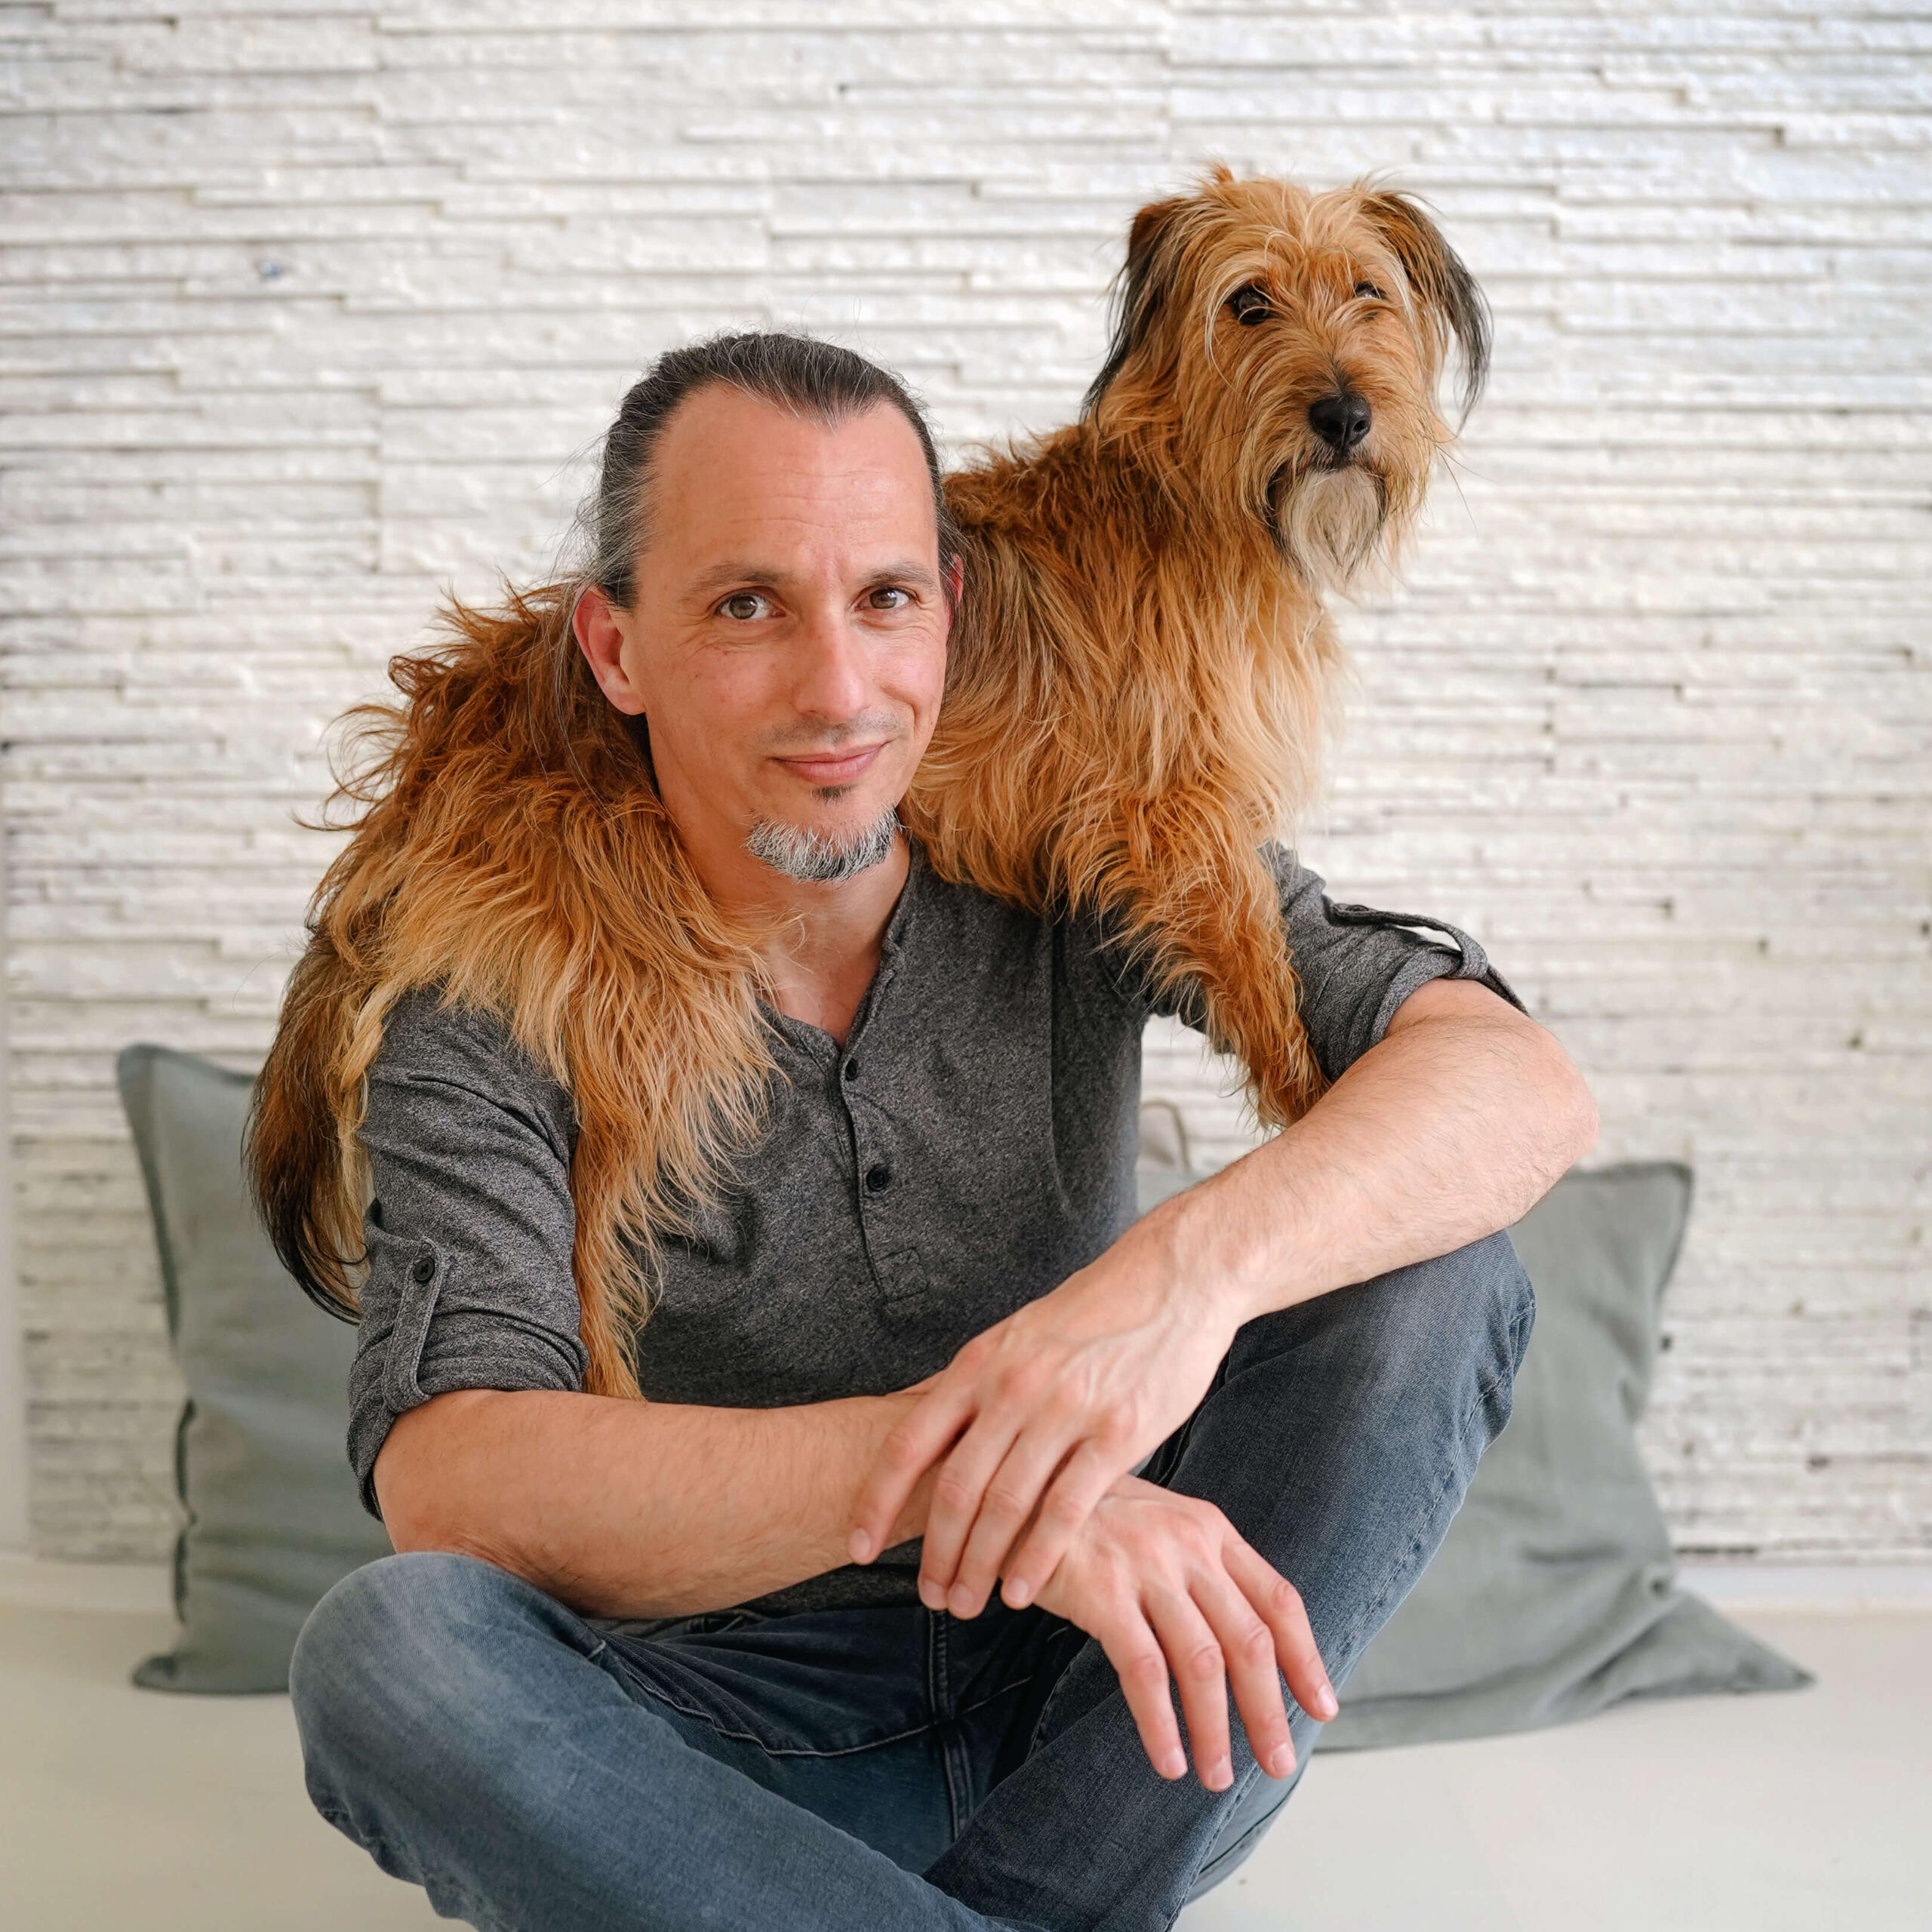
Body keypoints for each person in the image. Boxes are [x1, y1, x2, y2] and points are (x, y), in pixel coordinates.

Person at [272, 332, 1597, 1932]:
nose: (839, 690)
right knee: (391, 1656)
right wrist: (980, 1481)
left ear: (952, 614)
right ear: (615, 647)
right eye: (747, 606)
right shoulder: (490, 978)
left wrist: (1177, 1284)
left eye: (886, 598)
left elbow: (1515, 1083)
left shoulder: (1091, 835)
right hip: (730, 1735)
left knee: (1436, 1276)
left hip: (1115, 1703)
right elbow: (454, 1477)